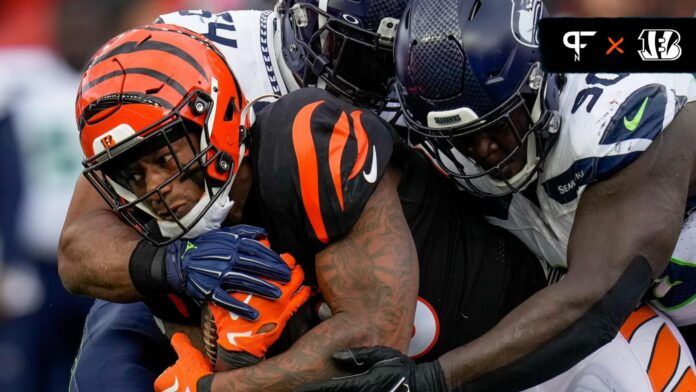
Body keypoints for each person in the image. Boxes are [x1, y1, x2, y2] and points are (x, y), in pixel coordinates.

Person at [59, 5, 547, 392]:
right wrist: (173, 265)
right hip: (214, 246)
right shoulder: (170, 63)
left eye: (384, 63)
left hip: (453, 294)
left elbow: (373, 346)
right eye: (349, 52)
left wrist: (213, 387)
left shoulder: (439, 71)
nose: (364, 86)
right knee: (110, 371)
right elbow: (79, 245)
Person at [300, 0, 696, 390]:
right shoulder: (434, 140)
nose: (483, 149)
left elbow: (597, 301)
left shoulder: (620, 105)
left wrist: (435, 379)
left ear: (541, 80)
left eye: (498, 123)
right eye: (461, 137)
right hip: (636, 311)